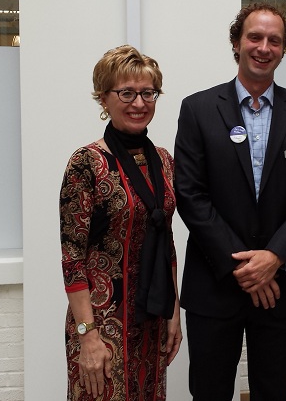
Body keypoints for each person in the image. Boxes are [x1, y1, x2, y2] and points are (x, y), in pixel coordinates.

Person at [174, 3, 286, 401]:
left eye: (274, 40)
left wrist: (274, 258)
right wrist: (245, 268)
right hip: (215, 285)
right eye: (254, 37)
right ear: (237, 43)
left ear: (283, 47)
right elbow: (191, 196)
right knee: (209, 393)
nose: (264, 47)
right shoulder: (198, 110)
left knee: (272, 394)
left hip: (281, 289)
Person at [59, 45, 182, 401]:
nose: (139, 103)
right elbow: (72, 257)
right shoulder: (87, 163)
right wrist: (87, 335)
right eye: (126, 93)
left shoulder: (163, 161)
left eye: (148, 93)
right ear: (103, 99)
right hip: (100, 324)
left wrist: (174, 313)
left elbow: (167, 243)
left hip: (152, 319)